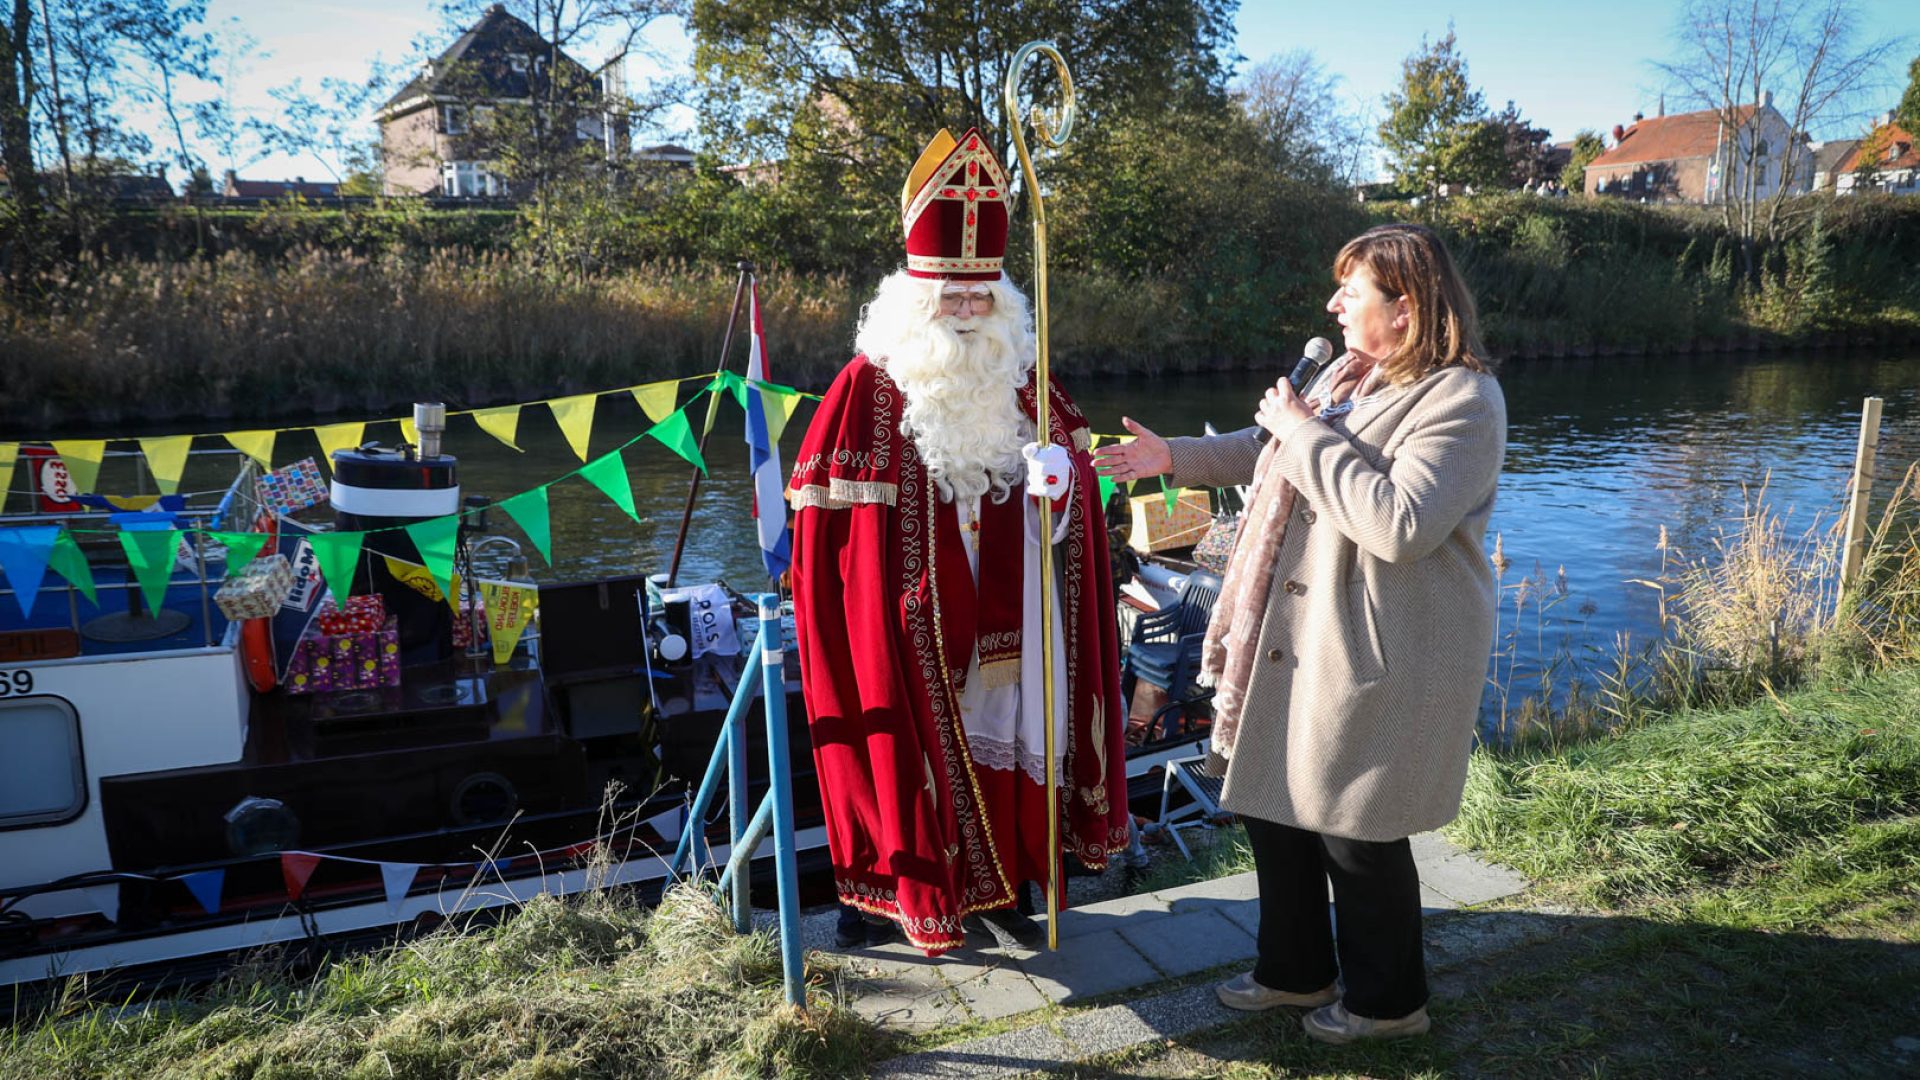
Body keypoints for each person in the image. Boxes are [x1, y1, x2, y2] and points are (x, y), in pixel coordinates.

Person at [1093, 223, 1506, 1043]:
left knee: (1357, 826)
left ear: (1407, 306)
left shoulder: (1463, 399)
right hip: (1295, 629)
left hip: (1379, 640)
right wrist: (1167, 455)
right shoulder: (1356, 376)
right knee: (1274, 805)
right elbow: (1267, 449)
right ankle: (1295, 973)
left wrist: (1304, 428)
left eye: (1350, 292)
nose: (1333, 305)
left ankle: (1390, 1003)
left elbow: (1401, 523)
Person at [788, 127, 1131, 956]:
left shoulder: (1027, 375)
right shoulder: (864, 389)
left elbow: (1080, 488)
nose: (969, 313)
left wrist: (1066, 486)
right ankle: (896, 898)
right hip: (910, 628)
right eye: (952, 298)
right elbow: (822, 536)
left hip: (1016, 620)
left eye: (982, 298)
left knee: (1015, 740)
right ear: (915, 301)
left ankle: (1008, 884)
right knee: (906, 758)